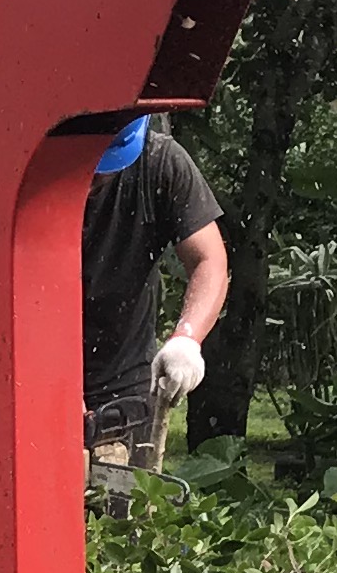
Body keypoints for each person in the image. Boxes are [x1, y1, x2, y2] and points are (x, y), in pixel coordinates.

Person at [79, 110, 228, 460]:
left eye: (103, 170)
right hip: (29, 377)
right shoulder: (25, 165)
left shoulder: (160, 163)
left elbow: (210, 260)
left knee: (125, 510)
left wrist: (187, 339)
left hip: (124, 388)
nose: (92, 179)